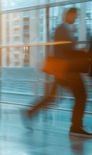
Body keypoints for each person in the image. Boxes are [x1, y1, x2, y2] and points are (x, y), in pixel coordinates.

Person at [21, 7, 92, 138]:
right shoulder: (61, 29)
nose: (75, 19)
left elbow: (63, 50)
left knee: (53, 97)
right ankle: (76, 127)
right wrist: (80, 53)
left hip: (63, 70)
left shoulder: (64, 29)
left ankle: (30, 112)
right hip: (67, 70)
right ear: (68, 15)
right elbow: (63, 51)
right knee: (81, 96)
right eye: (74, 16)